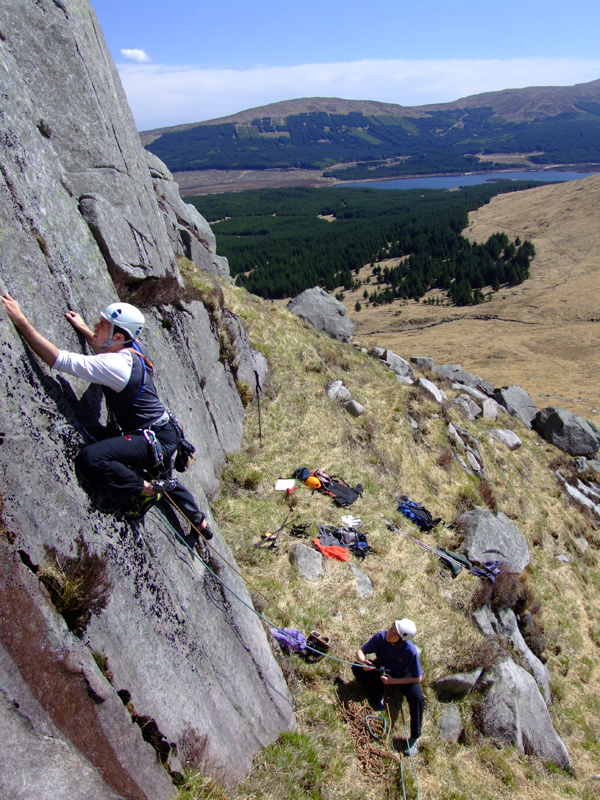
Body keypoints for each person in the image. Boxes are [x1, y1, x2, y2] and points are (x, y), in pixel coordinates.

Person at [2, 293, 212, 543]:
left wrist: (21, 320)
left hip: (152, 438)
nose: (96, 326)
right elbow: (104, 346)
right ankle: (199, 521)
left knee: (92, 458)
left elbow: (57, 359)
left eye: (102, 325)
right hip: (164, 432)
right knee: (164, 478)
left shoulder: (117, 366)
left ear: (119, 336)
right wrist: (81, 327)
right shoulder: (132, 348)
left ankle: (144, 490)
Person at [352, 618, 424, 756]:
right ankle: (378, 695)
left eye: (394, 633)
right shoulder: (381, 636)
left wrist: (394, 681)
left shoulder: (410, 651)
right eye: (391, 629)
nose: (389, 633)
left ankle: (415, 737)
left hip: (402, 675)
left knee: (417, 698)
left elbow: (417, 678)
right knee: (357, 668)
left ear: (401, 639)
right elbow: (361, 651)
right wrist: (363, 662)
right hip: (382, 669)